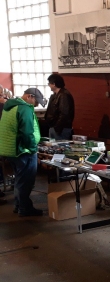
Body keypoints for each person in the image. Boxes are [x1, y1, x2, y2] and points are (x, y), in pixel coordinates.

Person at [0, 88, 46, 216]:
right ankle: (25, 208)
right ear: (29, 96)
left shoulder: (10, 106)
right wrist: (33, 149)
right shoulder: (24, 108)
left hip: (11, 150)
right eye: (36, 102)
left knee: (19, 180)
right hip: (23, 151)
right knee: (26, 182)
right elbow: (26, 133)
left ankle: (18, 205)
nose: (36, 105)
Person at [45, 73, 75, 140]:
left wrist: (57, 128)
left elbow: (64, 113)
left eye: (49, 83)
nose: (49, 85)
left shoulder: (64, 95)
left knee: (59, 146)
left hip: (61, 129)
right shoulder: (55, 95)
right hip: (55, 127)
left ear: (54, 84)